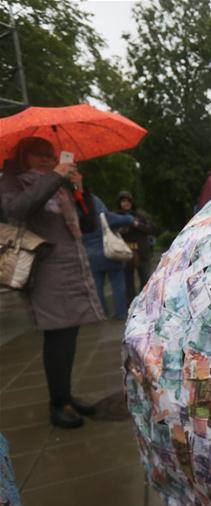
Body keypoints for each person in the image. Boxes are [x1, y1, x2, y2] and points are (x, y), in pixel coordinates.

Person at [0, 137, 104, 428]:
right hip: (45, 270)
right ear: (23, 156)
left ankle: (66, 395)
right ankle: (58, 404)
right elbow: (19, 209)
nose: (46, 159)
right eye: (39, 154)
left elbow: (88, 225)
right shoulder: (13, 181)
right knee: (57, 336)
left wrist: (79, 188)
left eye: (50, 154)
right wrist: (56, 175)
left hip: (73, 267)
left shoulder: (58, 184)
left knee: (68, 337)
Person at [81, 194, 134, 319]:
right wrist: (130, 217)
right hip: (110, 254)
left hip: (91, 258)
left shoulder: (79, 218)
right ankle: (121, 313)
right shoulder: (102, 214)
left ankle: (102, 314)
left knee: (97, 287)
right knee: (118, 285)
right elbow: (126, 220)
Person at [115, 190, 156, 304]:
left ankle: (145, 303)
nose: (125, 204)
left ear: (132, 202)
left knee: (145, 279)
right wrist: (120, 230)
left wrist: (138, 225)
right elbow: (111, 233)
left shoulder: (140, 215)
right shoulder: (116, 217)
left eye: (127, 201)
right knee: (128, 282)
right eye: (123, 201)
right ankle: (131, 304)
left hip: (142, 252)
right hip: (125, 253)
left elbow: (152, 229)